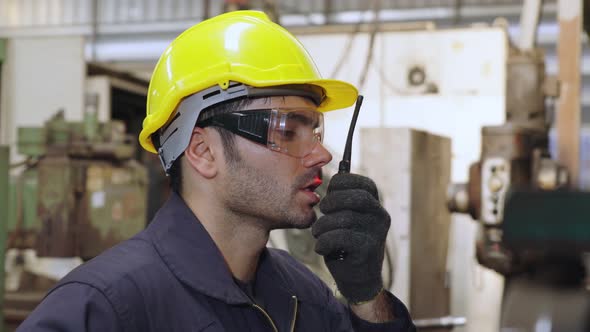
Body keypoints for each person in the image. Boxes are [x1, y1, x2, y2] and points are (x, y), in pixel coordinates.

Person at [18, 10, 415, 331]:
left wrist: (366, 296)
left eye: (314, 129)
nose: (321, 155)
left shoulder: (303, 296)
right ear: (204, 152)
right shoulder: (104, 308)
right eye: (287, 130)